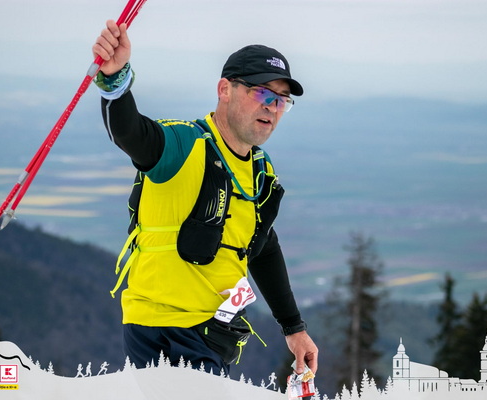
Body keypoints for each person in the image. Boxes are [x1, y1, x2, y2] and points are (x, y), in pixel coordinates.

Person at [92, 19, 318, 377]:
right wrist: (114, 78)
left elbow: (262, 247)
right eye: (262, 94)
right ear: (225, 89)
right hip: (162, 329)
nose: (272, 108)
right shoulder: (185, 145)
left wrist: (294, 329)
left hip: (214, 334)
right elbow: (130, 133)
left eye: (281, 101)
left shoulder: (261, 171)